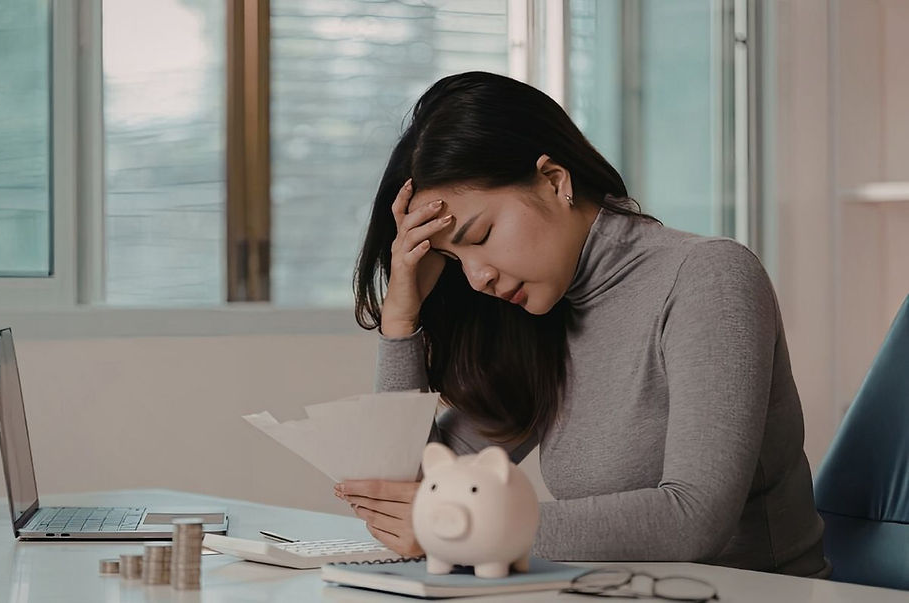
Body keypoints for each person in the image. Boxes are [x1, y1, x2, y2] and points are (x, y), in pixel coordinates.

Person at [335, 71, 829, 577]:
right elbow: (410, 491)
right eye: (452, 260)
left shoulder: (708, 276)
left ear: (554, 181)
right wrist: (401, 322)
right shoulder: (537, 313)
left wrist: (466, 527)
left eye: (480, 235)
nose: (477, 277)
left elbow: (695, 517)